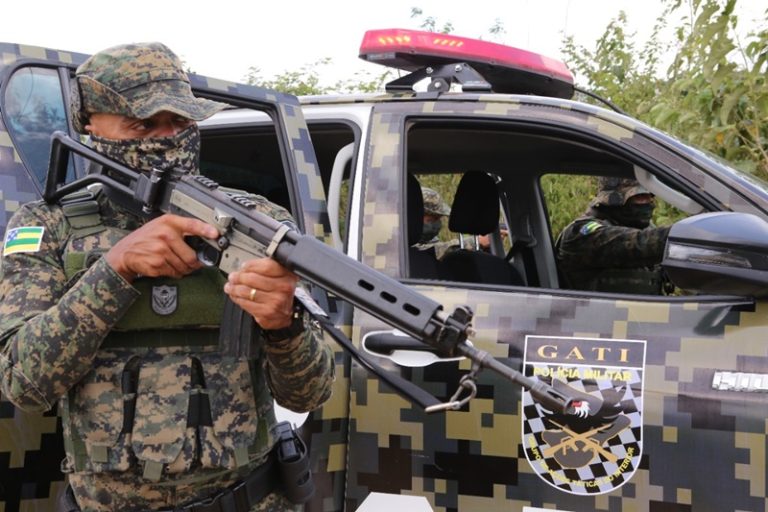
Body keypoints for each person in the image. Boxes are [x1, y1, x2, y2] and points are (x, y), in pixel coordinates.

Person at [0, 42, 334, 512]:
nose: (168, 138)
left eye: (181, 122)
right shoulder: (45, 227)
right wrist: (115, 270)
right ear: (89, 125)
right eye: (144, 124)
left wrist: (285, 327)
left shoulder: (259, 222)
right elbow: (23, 383)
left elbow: (310, 393)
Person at [555, 176, 671, 294]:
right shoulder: (582, 233)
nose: (649, 202)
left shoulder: (642, 227)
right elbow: (637, 244)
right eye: (640, 196)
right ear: (615, 199)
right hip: (592, 311)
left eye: (650, 196)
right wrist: (681, 235)